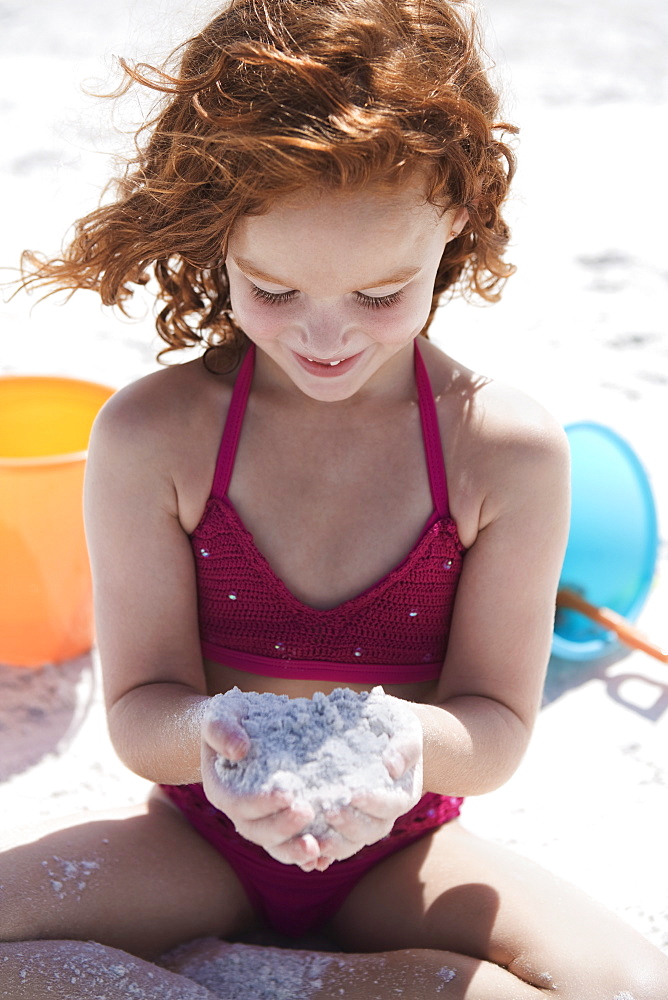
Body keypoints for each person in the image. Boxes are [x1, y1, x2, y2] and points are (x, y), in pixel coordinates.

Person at [1, 0, 667, 997]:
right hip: (196, 847)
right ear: (214, 231)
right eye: (272, 291)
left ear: (454, 218)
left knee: (624, 983)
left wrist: (399, 742)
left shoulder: (503, 452)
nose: (324, 339)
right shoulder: (153, 436)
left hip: (397, 858)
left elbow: (492, 728)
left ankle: (317, 978)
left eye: (377, 294)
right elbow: (141, 707)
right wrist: (219, 741)